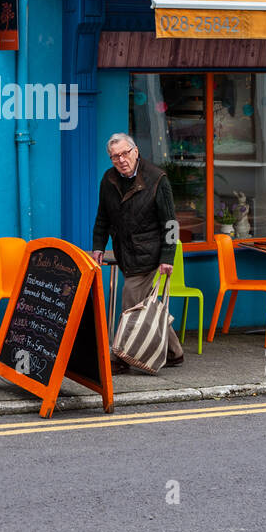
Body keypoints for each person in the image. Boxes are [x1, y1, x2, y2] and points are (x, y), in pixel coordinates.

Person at [91, 133, 185, 371]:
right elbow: (103, 217)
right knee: (146, 305)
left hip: (149, 253)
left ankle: (122, 358)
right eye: (115, 157)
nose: (121, 160)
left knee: (131, 301)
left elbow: (171, 224)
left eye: (125, 153)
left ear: (135, 151)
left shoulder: (156, 178)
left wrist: (167, 257)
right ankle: (174, 352)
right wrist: (99, 247)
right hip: (125, 253)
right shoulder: (109, 179)